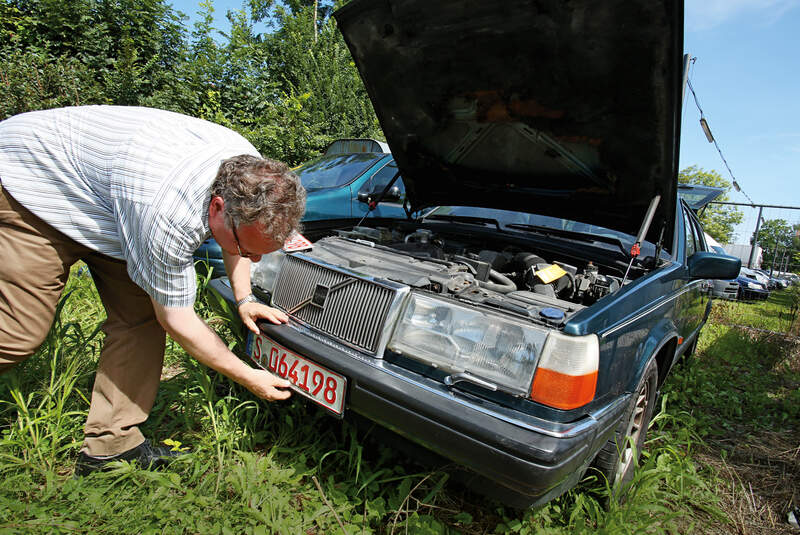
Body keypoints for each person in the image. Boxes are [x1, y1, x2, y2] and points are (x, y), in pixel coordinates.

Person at [0, 105, 306, 474]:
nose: (252, 261)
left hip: (111, 203)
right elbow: (178, 319)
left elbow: (236, 242)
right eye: (247, 251)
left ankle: (110, 448)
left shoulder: (253, 177)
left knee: (142, 316)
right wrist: (247, 375)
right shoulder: (168, 214)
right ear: (217, 207)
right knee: (18, 333)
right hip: (32, 183)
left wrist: (245, 298)